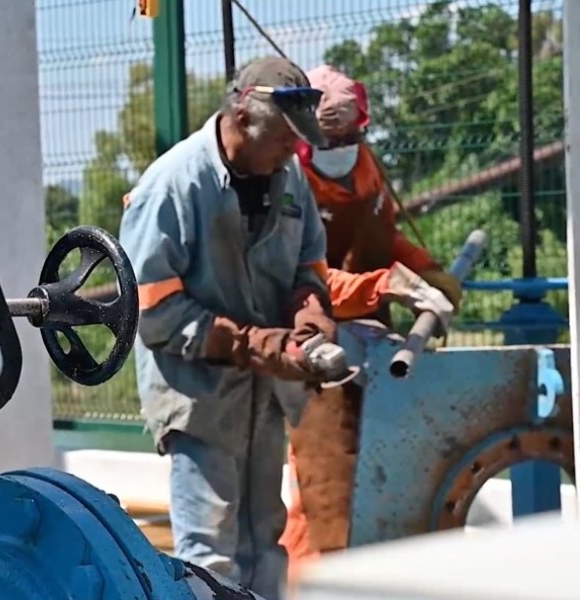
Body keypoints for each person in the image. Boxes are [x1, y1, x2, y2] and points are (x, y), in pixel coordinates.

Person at [118, 56, 453, 600]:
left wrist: (310, 313)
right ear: (243, 118)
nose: (290, 157)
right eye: (281, 142)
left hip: (264, 397)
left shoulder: (287, 174)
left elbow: (308, 265)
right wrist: (256, 344)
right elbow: (152, 309)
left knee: (265, 544)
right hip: (199, 401)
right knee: (210, 555)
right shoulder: (173, 186)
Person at [278, 64, 463, 579]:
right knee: (326, 492)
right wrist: (385, 285)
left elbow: (382, 236)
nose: (338, 146)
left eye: (348, 135)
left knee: (400, 470)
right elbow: (304, 281)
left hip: (376, 346)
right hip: (317, 349)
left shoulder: (366, 168)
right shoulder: (288, 185)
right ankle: (315, 583)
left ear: (364, 125)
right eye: (326, 138)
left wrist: (425, 270)